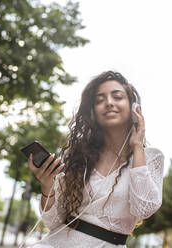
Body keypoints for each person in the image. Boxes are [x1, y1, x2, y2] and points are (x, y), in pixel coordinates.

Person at [27, 71, 164, 247]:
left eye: (117, 96)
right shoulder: (78, 156)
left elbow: (144, 208)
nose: (108, 103)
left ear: (133, 107)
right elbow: (53, 222)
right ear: (94, 112)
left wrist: (137, 146)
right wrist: (47, 185)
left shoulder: (151, 157)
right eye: (100, 100)